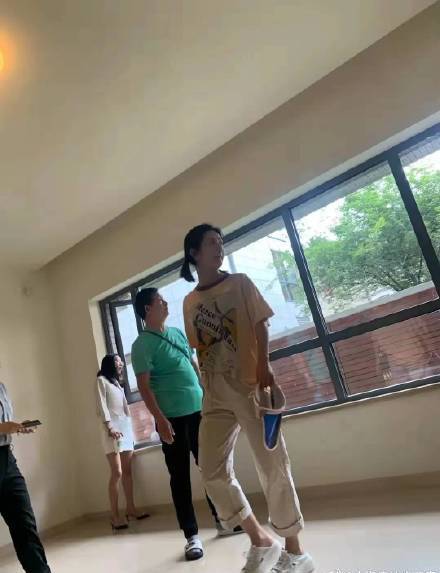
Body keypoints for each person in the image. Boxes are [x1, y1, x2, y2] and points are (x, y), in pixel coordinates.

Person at [181, 224, 315, 573]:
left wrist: (264, 365)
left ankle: (296, 552)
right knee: (210, 469)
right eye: (212, 242)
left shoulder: (240, 283)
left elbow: (260, 324)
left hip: (248, 386)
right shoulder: (190, 301)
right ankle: (261, 541)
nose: (220, 247)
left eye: (221, 242)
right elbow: (199, 347)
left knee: (272, 465)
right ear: (194, 253)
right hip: (213, 394)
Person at [131, 288, 243, 561]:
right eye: (160, 301)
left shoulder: (178, 334)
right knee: (179, 476)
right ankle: (191, 535)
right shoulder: (142, 344)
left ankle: (223, 519)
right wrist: (160, 419)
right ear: (147, 309)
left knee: (210, 467)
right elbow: (144, 387)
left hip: (199, 411)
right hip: (171, 419)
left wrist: (208, 396)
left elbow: (193, 365)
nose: (165, 303)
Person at [0, 382, 51, 573]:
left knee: (25, 525)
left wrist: (18, 427)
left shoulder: (2, 387)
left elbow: (5, 424)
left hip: (6, 459)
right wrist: (4, 427)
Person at [96, 354, 149, 530]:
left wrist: (130, 428)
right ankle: (114, 516)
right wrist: (110, 427)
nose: (121, 364)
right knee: (117, 472)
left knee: (127, 471)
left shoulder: (117, 384)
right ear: (109, 364)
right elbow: (102, 406)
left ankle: (131, 509)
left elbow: (124, 409)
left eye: (121, 362)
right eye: (117, 361)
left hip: (125, 429)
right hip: (111, 430)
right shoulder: (101, 381)